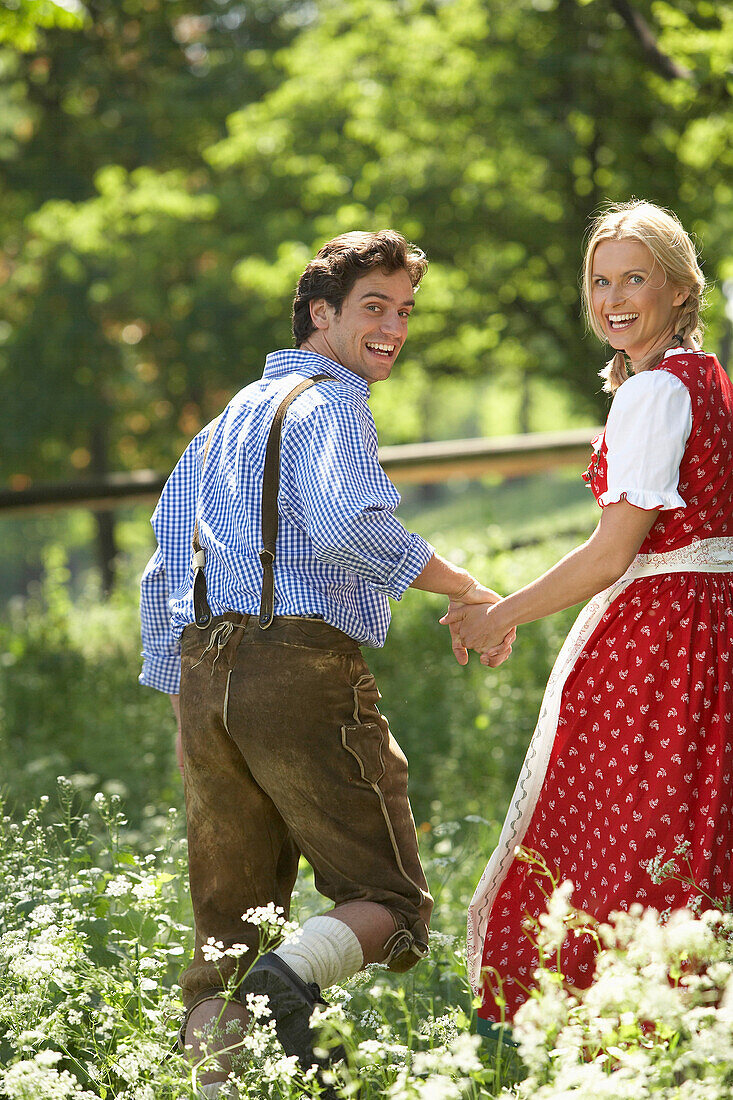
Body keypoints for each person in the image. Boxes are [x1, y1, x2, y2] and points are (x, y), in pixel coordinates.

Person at [140, 230, 512, 1095]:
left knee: (224, 941)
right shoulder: (333, 404)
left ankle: (225, 1074)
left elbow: (167, 555)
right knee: (395, 904)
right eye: (373, 308)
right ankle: (291, 985)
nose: (394, 328)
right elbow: (350, 524)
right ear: (321, 313)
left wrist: (187, 695)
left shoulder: (231, 413)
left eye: (405, 311)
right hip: (298, 666)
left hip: (206, 676)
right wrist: (466, 588)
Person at [443, 200, 733, 1030]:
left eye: (633, 279)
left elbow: (612, 554)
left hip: (659, 645)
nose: (612, 298)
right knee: (688, 841)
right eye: (600, 281)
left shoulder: (651, 394)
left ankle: (613, 1036)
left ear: (679, 290)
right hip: (707, 631)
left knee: (620, 846)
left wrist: (500, 616)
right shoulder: (705, 376)